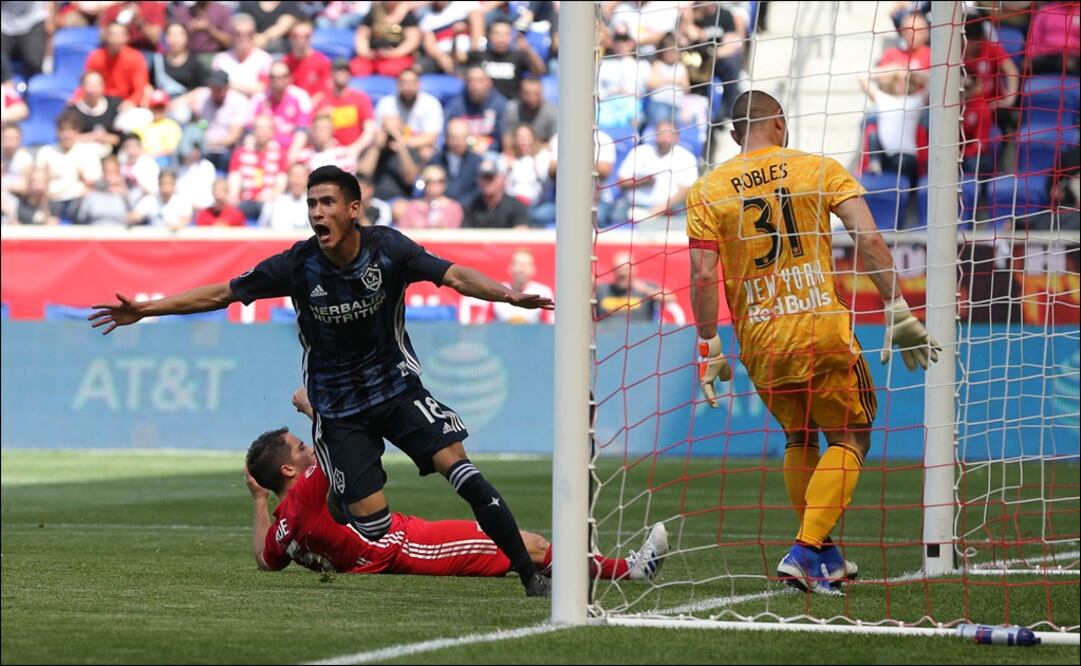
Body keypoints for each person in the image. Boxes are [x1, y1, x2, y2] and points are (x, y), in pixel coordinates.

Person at [89, 165, 557, 597]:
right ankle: (341, 505)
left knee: (459, 468)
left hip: (395, 388)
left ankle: (528, 573)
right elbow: (220, 294)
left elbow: (453, 274)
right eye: (312, 204)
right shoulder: (297, 265)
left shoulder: (388, 249)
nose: (317, 212)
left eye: (328, 203)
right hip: (338, 409)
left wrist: (508, 296)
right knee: (374, 529)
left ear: (353, 209)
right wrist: (147, 309)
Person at [685, 90, 941, 594]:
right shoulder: (819, 169)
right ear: (779, 122)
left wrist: (710, 345)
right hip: (820, 329)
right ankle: (804, 550)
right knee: (852, 437)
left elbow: (701, 273)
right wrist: (897, 309)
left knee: (799, 436)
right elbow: (867, 237)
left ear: (735, 134)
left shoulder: (707, 189)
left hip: (760, 339)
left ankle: (825, 555)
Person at [244, 387, 669, 581]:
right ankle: (632, 571)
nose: (307, 451)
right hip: (401, 547)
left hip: (392, 547)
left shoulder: (285, 526)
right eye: (299, 449)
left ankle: (606, 568)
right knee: (530, 546)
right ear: (288, 471)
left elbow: (266, 561)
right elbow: (337, 440)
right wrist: (310, 410)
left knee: (528, 546)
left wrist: (260, 500)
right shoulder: (305, 491)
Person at [594, 251, 667, 323]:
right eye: (618, 269)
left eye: (626, 269)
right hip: (607, 333)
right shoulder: (602, 290)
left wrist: (646, 290)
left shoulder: (646, 288)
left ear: (634, 269)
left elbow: (670, 298)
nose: (622, 273)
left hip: (640, 333)